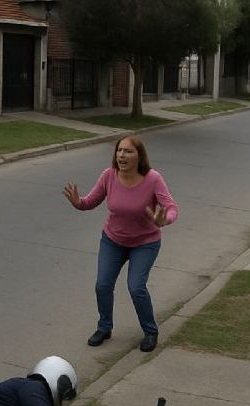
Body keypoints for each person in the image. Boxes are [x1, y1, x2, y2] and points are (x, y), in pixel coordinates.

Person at [63, 135, 179, 353]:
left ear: (139, 156)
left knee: (136, 287)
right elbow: (89, 202)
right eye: (119, 151)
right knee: (102, 285)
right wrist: (78, 203)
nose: (122, 155)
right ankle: (104, 327)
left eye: (128, 151)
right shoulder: (109, 176)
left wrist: (164, 219)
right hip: (113, 240)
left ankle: (150, 331)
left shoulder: (153, 179)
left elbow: (171, 208)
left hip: (145, 243)